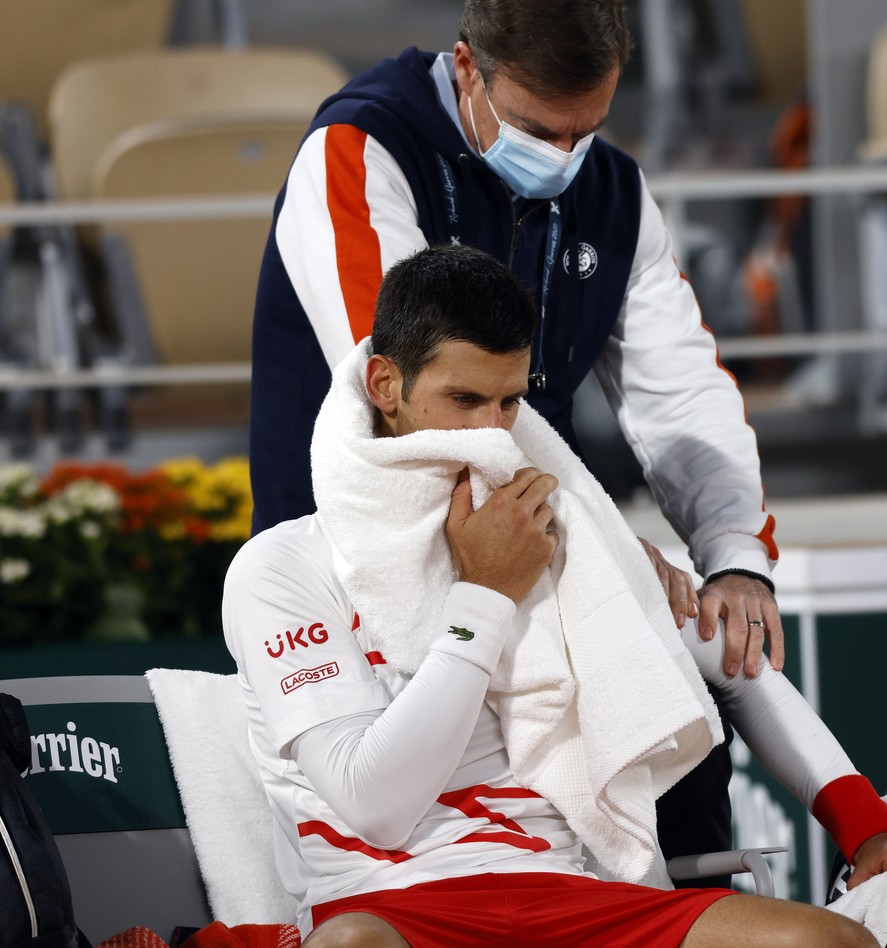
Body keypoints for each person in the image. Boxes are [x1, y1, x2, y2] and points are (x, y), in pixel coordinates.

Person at [225, 245, 887, 947]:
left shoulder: (564, 530)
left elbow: (729, 658)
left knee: (828, 943)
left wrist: (865, 829)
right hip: (392, 909)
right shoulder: (285, 565)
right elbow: (375, 807)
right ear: (384, 385)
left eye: (509, 402)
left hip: (569, 894)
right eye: (462, 400)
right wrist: (486, 597)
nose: (490, 432)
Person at [248, 0, 780, 869]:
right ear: (468, 69)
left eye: (589, 130)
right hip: (354, 572)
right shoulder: (358, 148)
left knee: (676, 765)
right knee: (398, 845)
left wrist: (730, 553)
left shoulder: (615, 191)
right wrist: (595, 534)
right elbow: (409, 407)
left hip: (535, 545)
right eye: (539, 128)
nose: (566, 160)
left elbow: (679, 390)